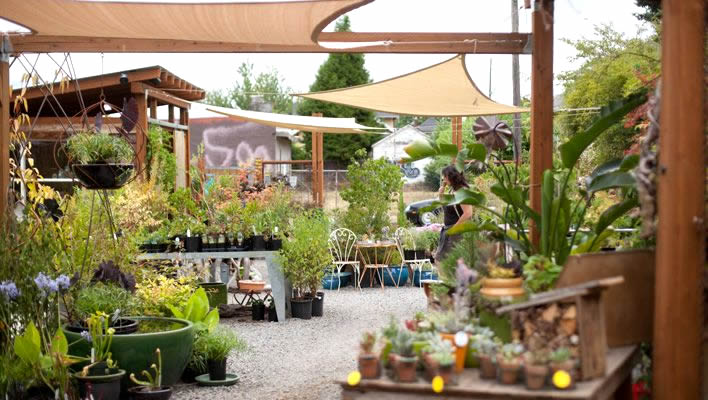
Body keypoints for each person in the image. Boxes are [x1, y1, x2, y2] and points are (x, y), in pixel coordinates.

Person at [434, 165, 474, 263]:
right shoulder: (453, 191)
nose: (443, 178)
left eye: (445, 176)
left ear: (452, 176)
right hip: (448, 230)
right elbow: (445, 206)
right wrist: (441, 194)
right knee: (440, 260)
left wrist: (455, 229)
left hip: (457, 232)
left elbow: (468, 213)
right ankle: (447, 278)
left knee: (448, 261)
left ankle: (452, 278)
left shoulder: (462, 192)